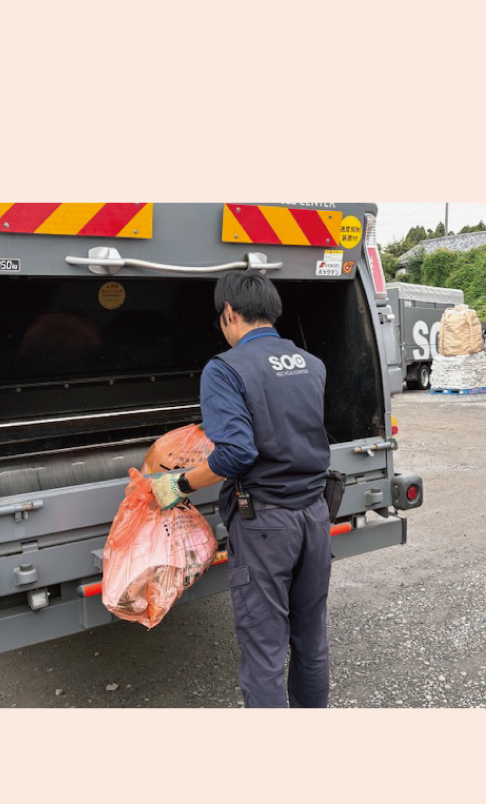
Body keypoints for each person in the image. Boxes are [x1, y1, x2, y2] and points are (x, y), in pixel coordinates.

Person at [149, 271, 332, 707]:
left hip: (266, 525)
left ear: (229, 313)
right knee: (310, 638)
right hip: (315, 514)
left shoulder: (225, 369)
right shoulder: (312, 363)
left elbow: (236, 454)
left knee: (264, 649)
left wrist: (178, 483)